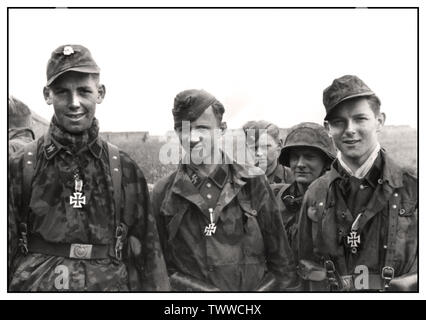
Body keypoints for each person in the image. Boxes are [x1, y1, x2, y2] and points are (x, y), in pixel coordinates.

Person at [8, 44, 169, 291]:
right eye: (62, 92)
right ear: (47, 95)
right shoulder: (20, 166)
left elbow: (149, 257)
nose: (74, 103)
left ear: (100, 93)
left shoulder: (124, 169)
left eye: (84, 91)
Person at [152, 89, 298, 291]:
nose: (192, 138)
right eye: (182, 128)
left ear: (221, 129)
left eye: (202, 128)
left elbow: (282, 262)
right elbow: (157, 267)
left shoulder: (252, 182)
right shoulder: (164, 193)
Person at [297, 75, 417, 291]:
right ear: (327, 127)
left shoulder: (413, 189)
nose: (349, 129)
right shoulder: (316, 193)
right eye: (338, 122)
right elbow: (307, 266)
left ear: (379, 121)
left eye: (360, 118)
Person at [275, 122, 335, 253]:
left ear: (325, 162)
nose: (300, 164)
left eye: (309, 157)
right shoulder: (277, 198)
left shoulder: (336, 201)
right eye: (295, 157)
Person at [242, 120, 294, 188]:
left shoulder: (293, 179)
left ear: (279, 146)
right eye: (254, 148)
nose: (259, 153)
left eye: (265, 147)